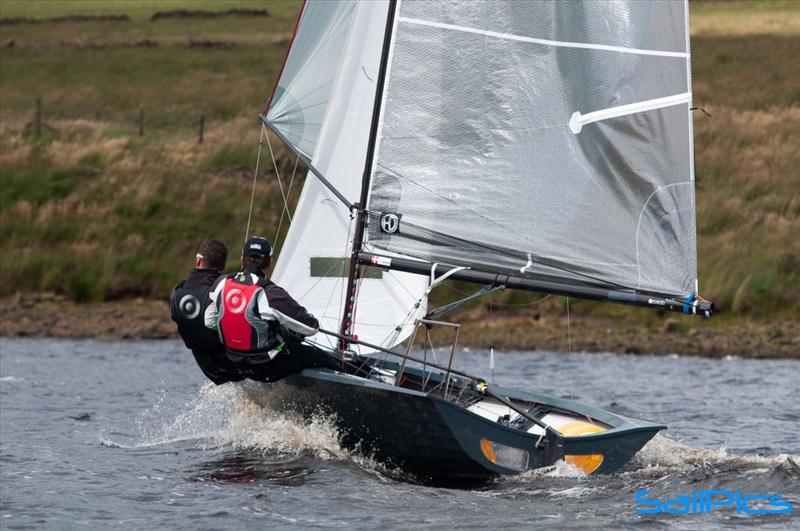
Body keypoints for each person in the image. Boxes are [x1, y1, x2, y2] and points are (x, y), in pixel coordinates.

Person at [204, 236, 340, 382]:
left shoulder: (221, 284)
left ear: (242, 258)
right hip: (266, 366)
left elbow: (209, 321)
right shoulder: (270, 293)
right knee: (319, 356)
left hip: (234, 361)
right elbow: (311, 327)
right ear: (270, 262)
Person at [170, 239, 243, 385]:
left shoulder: (176, 292)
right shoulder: (225, 289)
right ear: (222, 266)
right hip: (234, 365)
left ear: (198, 261)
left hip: (208, 369)